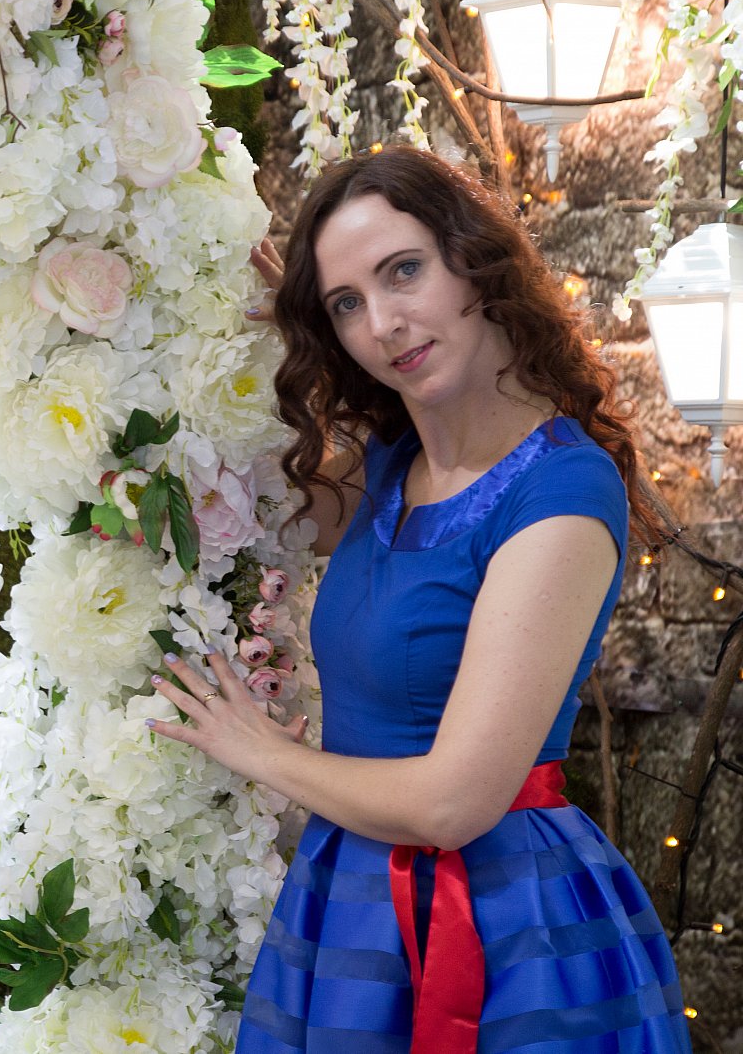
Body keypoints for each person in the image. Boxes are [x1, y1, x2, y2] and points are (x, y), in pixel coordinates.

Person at [145, 145, 692, 1052]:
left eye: (404, 271)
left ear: (474, 260)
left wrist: (261, 751)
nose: (385, 323)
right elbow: (236, 510)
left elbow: (453, 803)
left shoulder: (561, 488)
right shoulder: (389, 467)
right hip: (348, 902)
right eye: (346, 304)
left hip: (504, 932)